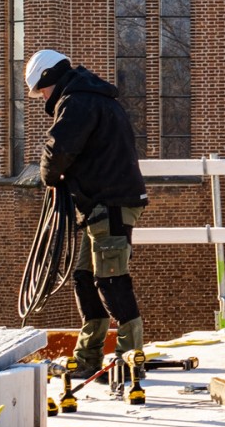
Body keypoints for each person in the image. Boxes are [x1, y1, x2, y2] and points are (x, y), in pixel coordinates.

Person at [26, 49, 151, 381]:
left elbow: (59, 148)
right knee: (85, 278)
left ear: (49, 77)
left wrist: (49, 177)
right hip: (99, 204)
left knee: (111, 279)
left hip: (109, 203)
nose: (42, 98)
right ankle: (89, 356)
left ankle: (129, 359)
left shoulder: (78, 100)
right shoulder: (90, 96)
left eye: (42, 90)